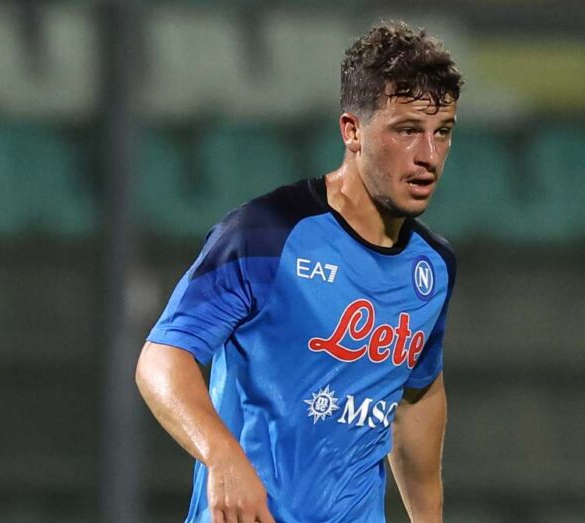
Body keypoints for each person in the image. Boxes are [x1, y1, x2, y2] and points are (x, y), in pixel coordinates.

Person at [135, 21, 463, 522]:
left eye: (442, 132)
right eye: (407, 131)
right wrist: (221, 455)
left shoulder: (433, 267)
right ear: (352, 131)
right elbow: (161, 359)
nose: (429, 157)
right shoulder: (265, 234)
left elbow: (417, 395)